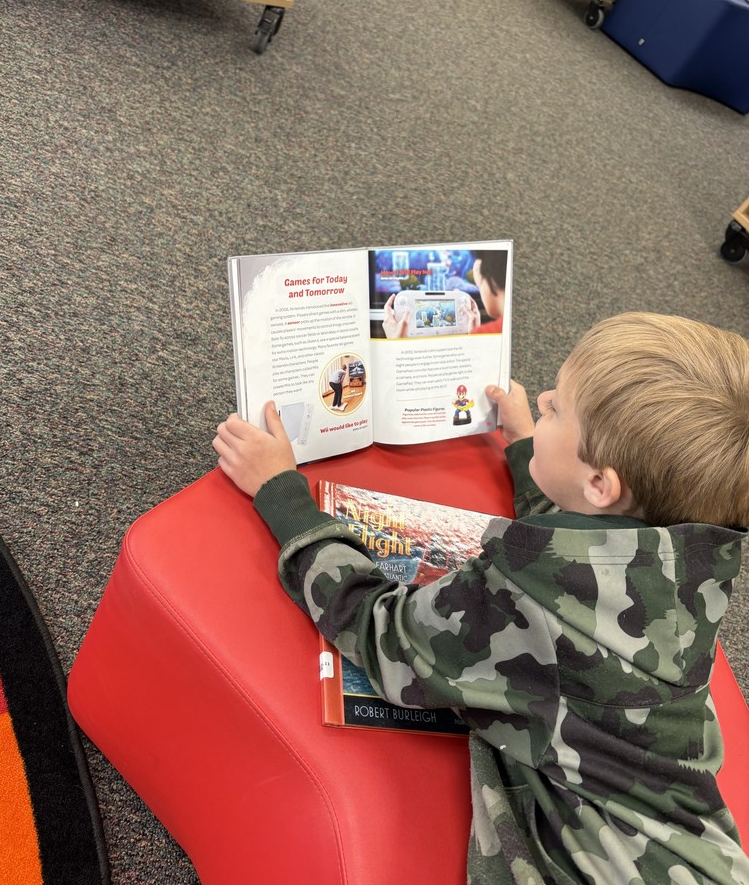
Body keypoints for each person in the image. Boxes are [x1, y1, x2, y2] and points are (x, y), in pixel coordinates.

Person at [212, 312, 749, 885]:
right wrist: (529, 444)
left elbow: (382, 633)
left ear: (600, 484)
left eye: (555, 409)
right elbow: (592, 539)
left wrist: (284, 497)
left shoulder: (519, 590)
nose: (541, 397)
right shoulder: (695, 551)